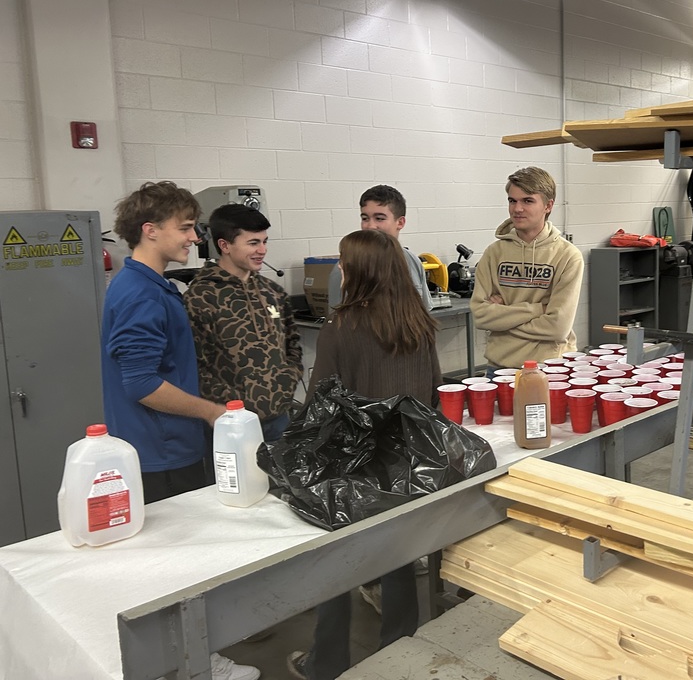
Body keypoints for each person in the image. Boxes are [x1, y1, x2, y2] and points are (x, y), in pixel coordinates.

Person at [101, 182, 260, 680]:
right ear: (150, 230)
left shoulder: (149, 285)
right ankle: (194, 665)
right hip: (162, 448)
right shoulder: (140, 293)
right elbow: (141, 383)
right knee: (175, 567)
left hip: (165, 444)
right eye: (186, 228)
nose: (194, 238)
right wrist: (210, 412)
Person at [287, 229, 441, 680]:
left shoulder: (340, 328)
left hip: (354, 467)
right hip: (407, 463)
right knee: (397, 557)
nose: (338, 268)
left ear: (359, 271)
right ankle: (399, 649)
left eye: (343, 261)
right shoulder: (419, 323)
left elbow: (320, 406)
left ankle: (326, 662)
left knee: (334, 563)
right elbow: (434, 393)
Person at [184, 204, 303, 442]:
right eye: (253, 243)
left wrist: (287, 381)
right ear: (225, 245)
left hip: (279, 418)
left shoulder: (272, 292)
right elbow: (195, 366)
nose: (262, 250)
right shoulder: (200, 297)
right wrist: (230, 403)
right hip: (231, 422)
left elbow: (292, 344)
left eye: (264, 242)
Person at [471, 166, 584, 368]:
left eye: (528, 201)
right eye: (512, 201)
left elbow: (558, 327)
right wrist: (539, 309)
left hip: (550, 368)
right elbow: (480, 316)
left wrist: (503, 317)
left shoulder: (567, 256)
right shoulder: (493, 254)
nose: (517, 209)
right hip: (499, 367)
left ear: (548, 205)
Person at [327, 184, 432, 312]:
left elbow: (423, 313)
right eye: (365, 218)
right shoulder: (346, 267)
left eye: (379, 218)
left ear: (400, 222)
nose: (370, 226)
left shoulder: (412, 261)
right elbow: (339, 319)